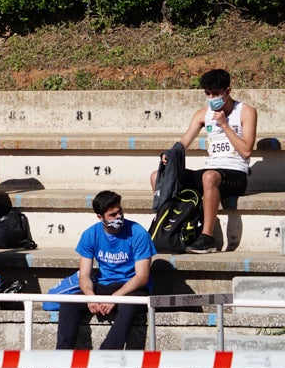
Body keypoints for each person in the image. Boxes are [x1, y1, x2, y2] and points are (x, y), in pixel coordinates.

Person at [152, 68, 257, 254]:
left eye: (215, 93)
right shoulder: (203, 114)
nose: (211, 97)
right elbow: (183, 143)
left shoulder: (246, 111)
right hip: (211, 171)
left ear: (228, 91)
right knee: (156, 175)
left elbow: (247, 151)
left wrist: (225, 125)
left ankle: (207, 238)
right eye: (207, 93)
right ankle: (166, 228)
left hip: (235, 174)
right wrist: (169, 155)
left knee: (209, 177)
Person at [55, 191, 155, 350]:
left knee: (129, 306)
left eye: (120, 212)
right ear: (100, 217)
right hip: (104, 285)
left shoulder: (138, 233)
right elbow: (84, 275)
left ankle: (106, 353)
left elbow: (142, 276)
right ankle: (63, 355)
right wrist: (90, 296)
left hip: (132, 288)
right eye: (112, 215)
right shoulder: (90, 234)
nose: (118, 217)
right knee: (69, 303)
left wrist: (116, 297)